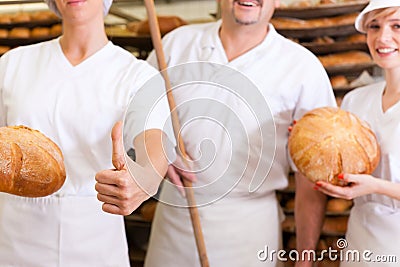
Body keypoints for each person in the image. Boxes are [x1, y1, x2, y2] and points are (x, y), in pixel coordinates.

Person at [143, 0, 336, 266]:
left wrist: (305, 258)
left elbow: (310, 176)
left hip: (251, 228)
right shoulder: (175, 45)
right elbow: (138, 115)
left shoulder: (302, 68)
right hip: (175, 221)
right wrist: (158, 148)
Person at [0, 0, 174, 266]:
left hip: (96, 237)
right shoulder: (13, 64)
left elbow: (153, 137)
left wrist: (146, 179)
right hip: (15, 239)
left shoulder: (137, 74)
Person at [309, 0, 400, 266]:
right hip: (361, 242)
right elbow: (343, 166)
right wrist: (316, 143)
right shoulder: (355, 100)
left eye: (397, 25)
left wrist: (375, 187)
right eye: (374, 26)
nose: (382, 37)